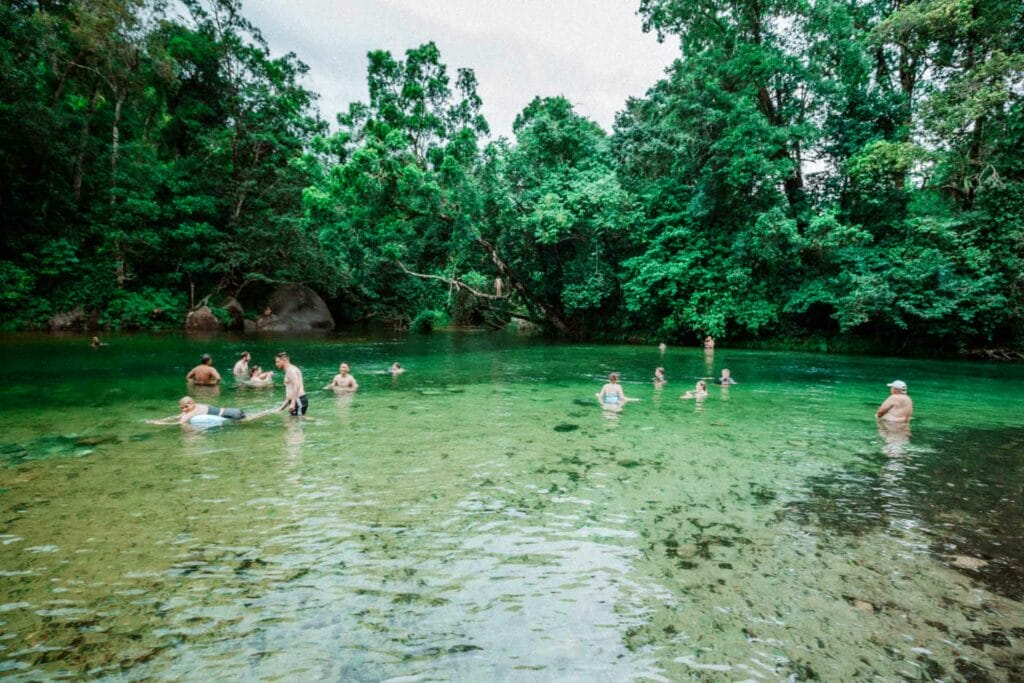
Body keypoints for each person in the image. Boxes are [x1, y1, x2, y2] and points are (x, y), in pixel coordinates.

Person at [147, 396, 247, 425]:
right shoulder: (196, 406)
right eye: (182, 407)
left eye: (186, 406)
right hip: (232, 411)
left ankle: (263, 413)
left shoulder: (194, 411)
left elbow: (180, 422)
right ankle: (263, 413)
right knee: (251, 418)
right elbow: (177, 416)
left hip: (232, 415)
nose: (184, 409)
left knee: (250, 421)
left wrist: (159, 424)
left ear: (192, 404)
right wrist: (161, 419)